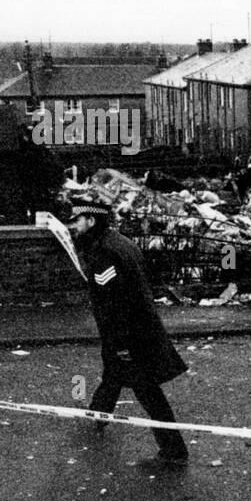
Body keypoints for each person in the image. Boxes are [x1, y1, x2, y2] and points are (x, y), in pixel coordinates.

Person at [71, 193, 190, 472]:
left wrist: (121, 343)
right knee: (113, 372)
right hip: (138, 329)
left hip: (130, 335)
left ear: (91, 220)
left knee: (147, 391)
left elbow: (116, 303)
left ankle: (174, 450)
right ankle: (100, 414)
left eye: (77, 220)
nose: (73, 226)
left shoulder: (104, 253)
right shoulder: (119, 242)